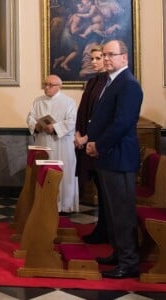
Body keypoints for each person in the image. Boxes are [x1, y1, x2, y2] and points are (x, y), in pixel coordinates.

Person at [86, 39, 143, 278]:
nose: (107, 58)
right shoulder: (111, 82)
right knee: (112, 210)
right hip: (109, 156)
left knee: (122, 212)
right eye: (104, 54)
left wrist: (98, 144)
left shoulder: (128, 84)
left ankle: (129, 262)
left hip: (119, 157)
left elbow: (122, 123)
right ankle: (119, 254)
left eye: (112, 54)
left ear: (124, 58)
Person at [27, 74, 79, 213]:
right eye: (45, 84)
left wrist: (55, 127)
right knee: (43, 172)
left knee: (63, 173)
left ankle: (64, 206)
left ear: (59, 86)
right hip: (43, 141)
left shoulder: (69, 102)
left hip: (61, 143)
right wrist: (36, 125)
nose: (47, 87)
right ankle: (43, 204)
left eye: (51, 85)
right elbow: (30, 118)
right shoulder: (38, 101)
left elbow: (72, 121)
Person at [74, 45, 108, 244]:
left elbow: (102, 116)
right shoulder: (93, 81)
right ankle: (101, 228)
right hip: (87, 141)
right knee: (99, 188)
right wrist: (78, 132)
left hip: (99, 145)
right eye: (92, 58)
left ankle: (105, 229)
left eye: (98, 58)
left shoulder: (109, 84)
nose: (94, 62)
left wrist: (88, 137)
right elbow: (83, 110)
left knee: (105, 193)